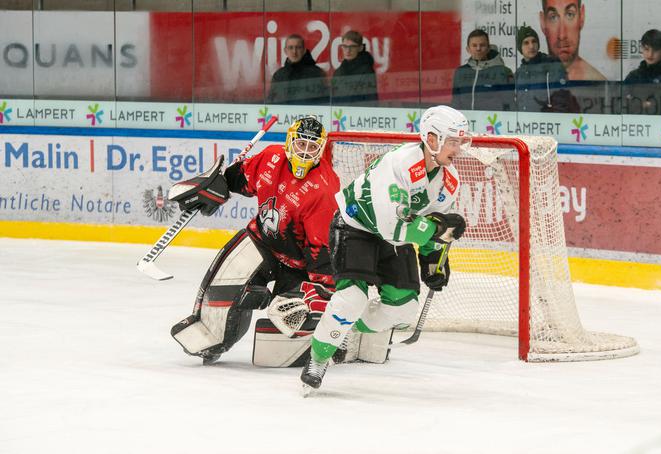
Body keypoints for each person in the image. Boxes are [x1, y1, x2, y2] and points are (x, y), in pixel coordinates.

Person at [300, 105, 469, 392]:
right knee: (352, 298)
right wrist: (437, 228)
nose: (458, 149)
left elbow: (432, 226)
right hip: (357, 226)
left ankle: (344, 329)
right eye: (453, 142)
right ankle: (318, 357)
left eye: (461, 142)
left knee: (404, 307)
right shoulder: (399, 164)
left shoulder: (449, 182)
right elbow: (393, 226)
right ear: (431, 139)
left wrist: (433, 259)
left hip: (395, 235)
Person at [169, 117, 340, 364]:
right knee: (219, 296)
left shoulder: (324, 190)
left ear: (321, 150)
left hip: (299, 266)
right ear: (289, 141)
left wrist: (323, 288)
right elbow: (239, 180)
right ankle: (216, 338)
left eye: (312, 147)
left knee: (283, 332)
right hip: (261, 241)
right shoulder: (270, 157)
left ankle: (342, 335)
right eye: (301, 144)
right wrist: (215, 186)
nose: (304, 152)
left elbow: (321, 248)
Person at [515, 25, 578, 113]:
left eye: (534, 41)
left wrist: (553, 123)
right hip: (524, 123)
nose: (531, 46)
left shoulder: (552, 65)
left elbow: (561, 101)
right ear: (520, 48)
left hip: (546, 123)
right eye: (526, 43)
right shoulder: (519, 72)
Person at [539, 0, 605, 81]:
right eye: (553, 17)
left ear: (581, 17)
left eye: (570, 15)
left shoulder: (599, 85)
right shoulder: (533, 81)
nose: (562, 35)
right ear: (543, 22)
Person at [452, 29, 514, 111]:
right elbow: (456, 102)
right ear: (468, 49)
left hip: (492, 122)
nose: (478, 48)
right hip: (466, 121)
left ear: (488, 48)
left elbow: (509, 103)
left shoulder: (503, 72)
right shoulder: (460, 72)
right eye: (474, 45)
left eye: (482, 45)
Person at [623, 29, 661, 115]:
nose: (650, 54)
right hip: (637, 123)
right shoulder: (634, 76)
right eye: (647, 49)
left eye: (655, 50)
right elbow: (621, 100)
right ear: (642, 49)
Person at [267, 35, 329, 105]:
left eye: (298, 47)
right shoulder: (278, 75)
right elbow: (271, 103)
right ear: (285, 51)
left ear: (304, 50)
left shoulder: (317, 74)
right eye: (291, 48)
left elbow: (324, 103)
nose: (294, 51)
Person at [331, 30, 378, 106]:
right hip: (340, 114)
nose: (348, 50)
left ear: (360, 48)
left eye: (352, 46)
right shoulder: (338, 72)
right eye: (345, 46)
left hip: (358, 115)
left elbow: (370, 101)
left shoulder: (366, 71)